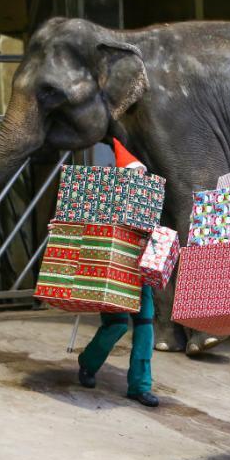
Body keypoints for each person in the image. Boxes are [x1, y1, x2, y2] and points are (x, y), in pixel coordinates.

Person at [76, 139, 159, 408]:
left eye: (143, 175)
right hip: (114, 273)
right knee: (117, 324)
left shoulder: (150, 202)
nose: (141, 179)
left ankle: (140, 386)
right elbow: (86, 229)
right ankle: (88, 362)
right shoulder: (105, 200)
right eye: (136, 175)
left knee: (145, 328)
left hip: (140, 273)